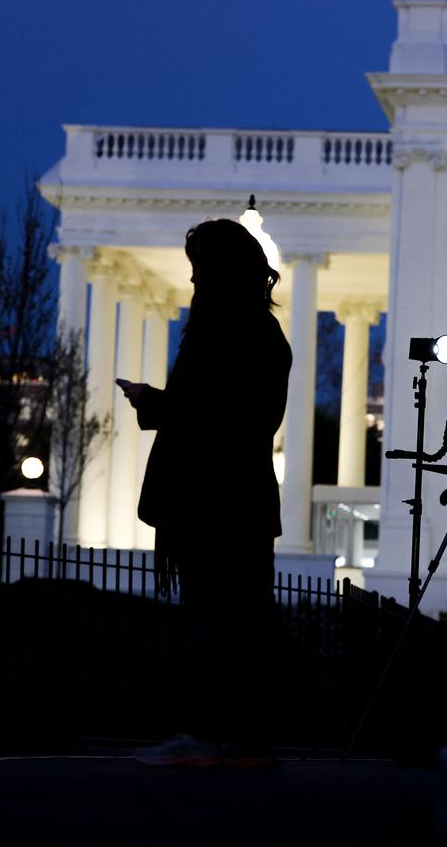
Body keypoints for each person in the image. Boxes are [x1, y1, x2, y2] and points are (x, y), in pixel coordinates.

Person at [125, 218, 291, 767]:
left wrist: (155, 402)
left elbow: (223, 419)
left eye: (200, 274)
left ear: (223, 274)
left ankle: (213, 735)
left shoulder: (231, 334)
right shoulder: (256, 334)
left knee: (217, 624)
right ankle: (236, 737)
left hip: (218, 501)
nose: (193, 286)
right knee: (232, 625)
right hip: (233, 500)